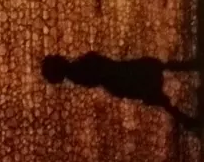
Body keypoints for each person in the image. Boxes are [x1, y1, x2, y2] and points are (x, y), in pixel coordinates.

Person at [41, 52, 199, 130]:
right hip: (118, 77)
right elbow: (99, 71)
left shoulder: (75, 70)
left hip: (117, 76)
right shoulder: (76, 72)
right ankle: (186, 118)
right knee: (154, 76)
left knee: (155, 77)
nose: (59, 57)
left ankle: (186, 118)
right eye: (56, 60)